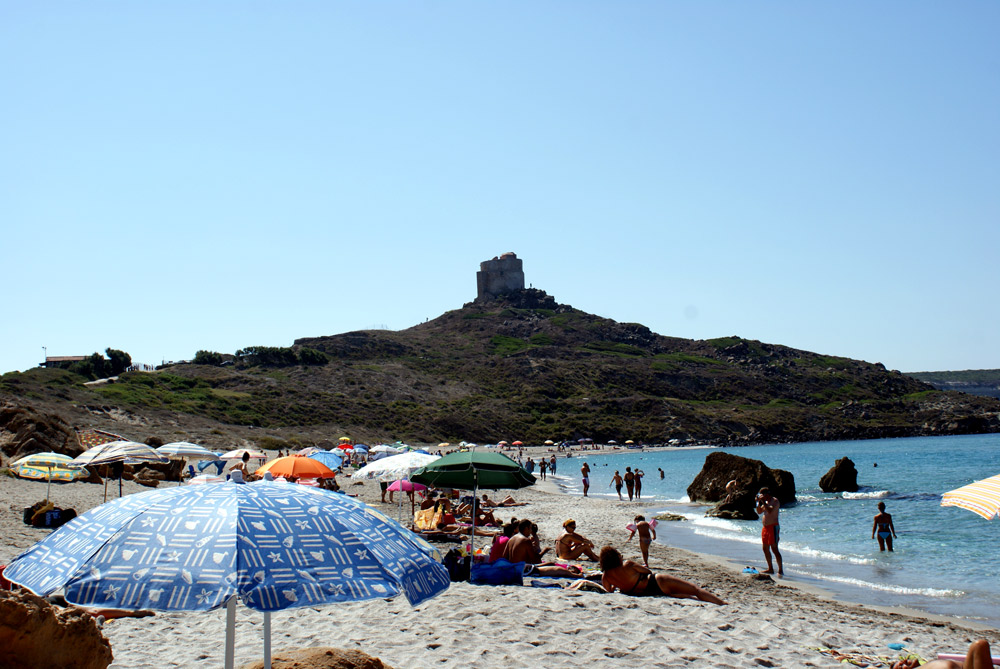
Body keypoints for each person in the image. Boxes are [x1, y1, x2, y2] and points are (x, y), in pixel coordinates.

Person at [599, 546, 724, 605]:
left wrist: (619, 585)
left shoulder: (606, 576)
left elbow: (609, 590)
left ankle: (710, 602)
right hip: (656, 582)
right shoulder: (627, 565)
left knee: (688, 596)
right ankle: (722, 604)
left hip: (648, 593)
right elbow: (647, 572)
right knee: (695, 590)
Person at [892, 639, 993, 669]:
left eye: (901, 661)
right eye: (900, 665)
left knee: (980, 645)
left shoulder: (927, 664)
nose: (903, 661)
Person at [755, 487, 783, 575]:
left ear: (767, 494)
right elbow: (759, 511)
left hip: (773, 527)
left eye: (763, 495)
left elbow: (770, 510)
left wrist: (763, 501)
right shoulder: (765, 502)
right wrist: (757, 502)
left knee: (774, 548)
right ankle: (770, 568)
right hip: (765, 528)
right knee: (765, 548)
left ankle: (780, 569)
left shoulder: (775, 501)